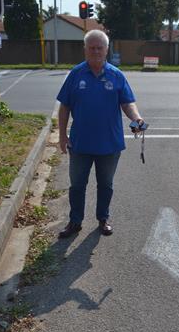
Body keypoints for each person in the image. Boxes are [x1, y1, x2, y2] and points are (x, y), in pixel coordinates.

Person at [55, 29, 145, 238]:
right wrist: (62, 135)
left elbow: (127, 103)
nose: (96, 51)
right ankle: (75, 221)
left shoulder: (116, 75)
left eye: (99, 48)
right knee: (77, 185)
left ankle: (103, 219)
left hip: (109, 144)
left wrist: (137, 119)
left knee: (106, 185)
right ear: (85, 49)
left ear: (106, 49)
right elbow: (64, 107)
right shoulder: (76, 74)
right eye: (92, 48)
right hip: (80, 143)